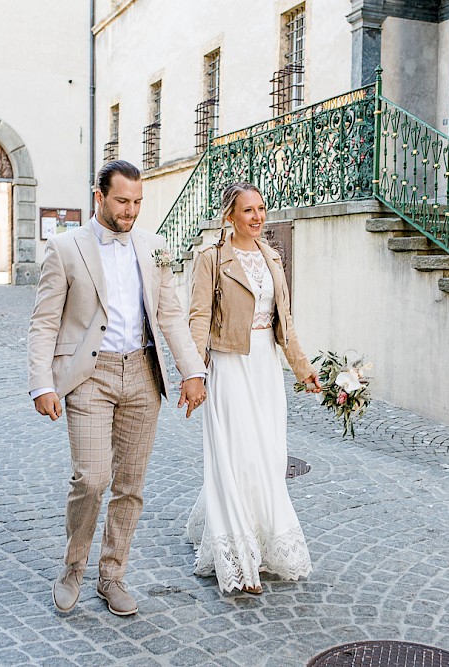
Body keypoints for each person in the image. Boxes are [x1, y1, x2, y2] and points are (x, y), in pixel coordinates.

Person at [27, 160, 207, 616]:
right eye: (122, 201)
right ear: (99, 196)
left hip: (143, 374)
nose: (131, 210)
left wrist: (192, 372)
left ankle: (112, 575)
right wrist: (41, 383)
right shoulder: (65, 248)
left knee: (131, 484)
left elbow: (170, 315)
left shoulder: (154, 246)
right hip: (90, 375)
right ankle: (73, 567)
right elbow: (45, 321)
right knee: (91, 478)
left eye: (138, 202)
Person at [186, 182, 321, 594]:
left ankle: (263, 538)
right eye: (248, 210)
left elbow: (285, 320)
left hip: (266, 367)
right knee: (237, 456)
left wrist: (302, 368)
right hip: (229, 366)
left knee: (267, 455)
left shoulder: (272, 257)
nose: (258, 217)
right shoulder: (211, 258)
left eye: (261, 208)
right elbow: (197, 318)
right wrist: (194, 373)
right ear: (230, 215)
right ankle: (240, 561)